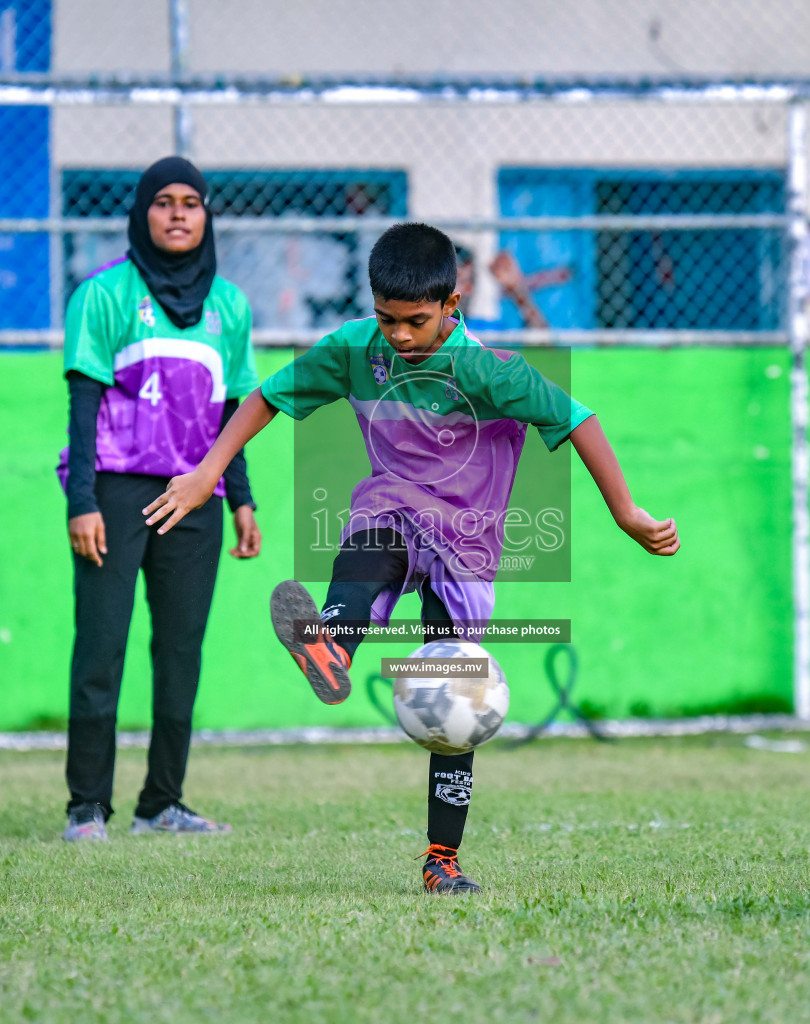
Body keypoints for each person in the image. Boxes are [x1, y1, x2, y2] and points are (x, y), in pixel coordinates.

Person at [140, 222, 679, 892]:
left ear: (452, 305)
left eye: (415, 321)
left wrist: (627, 512)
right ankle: (331, 642)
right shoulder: (354, 349)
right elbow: (268, 398)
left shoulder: (486, 369)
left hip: (469, 542)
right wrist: (205, 475)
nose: (398, 336)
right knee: (375, 532)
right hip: (396, 506)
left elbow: (577, 419)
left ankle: (441, 862)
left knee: (456, 704)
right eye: (386, 318)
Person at [58, 156, 262, 842]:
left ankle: (161, 803)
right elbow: (82, 402)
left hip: (196, 494)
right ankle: (87, 806)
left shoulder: (230, 306)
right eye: (164, 202)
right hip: (115, 490)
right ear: (142, 213)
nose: (178, 214)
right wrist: (80, 500)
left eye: (191, 203)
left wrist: (241, 498)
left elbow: (234, 411)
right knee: (102, 647)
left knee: (180, 651)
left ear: (207, 216)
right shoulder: (103, 296)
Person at [454, 244, 549, 332]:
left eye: (471, 281)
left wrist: (516, 289)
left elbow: (544, 343)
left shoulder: (484, 332)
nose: (468, 289)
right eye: (458, 279)